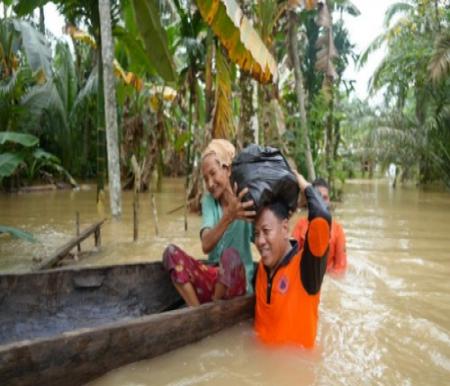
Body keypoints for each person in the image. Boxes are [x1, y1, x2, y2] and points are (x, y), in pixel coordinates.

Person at [163, 139, 255, 306]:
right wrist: (229, 216)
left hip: (237, 283)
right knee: (170, 253)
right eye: (206, 179)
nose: (210, 184)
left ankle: (213, 306)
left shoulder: (245, 199)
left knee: (231, 257)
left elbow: (261, 238)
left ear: (227, 169)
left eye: (213, 174)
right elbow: (206, 245)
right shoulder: (209, 202)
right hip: (213, 276)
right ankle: (198, 312)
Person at [253, 174, 331, 347]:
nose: (260, 241)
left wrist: (302, 182)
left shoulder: (307, 268)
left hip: (296, 371)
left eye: (266, 231)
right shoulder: (262, 267)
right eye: (257, 233)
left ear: (285, 228)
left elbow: (321, 216)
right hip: (260, 370)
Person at [291, 177, 347, 274]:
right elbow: (291, 259)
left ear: (329, 200)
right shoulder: (300, 225)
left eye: (325, 198)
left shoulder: (338, 230)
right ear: (312, 201)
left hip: (328, 277)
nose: (322, 202)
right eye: (318, 197)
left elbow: (340, 268)